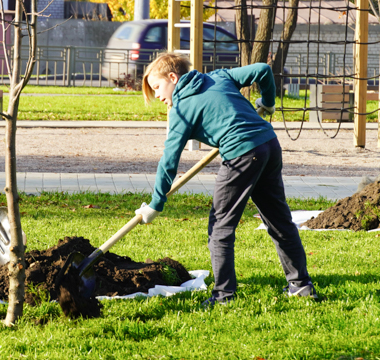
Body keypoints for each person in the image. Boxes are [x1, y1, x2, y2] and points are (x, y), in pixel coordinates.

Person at [135, 53, 317, 307]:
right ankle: (301, 287)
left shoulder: (181, 110)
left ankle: (223, 297)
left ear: (173, 78)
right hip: (268, 144)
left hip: (242, 155)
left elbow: (169, 160)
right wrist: (268, 102)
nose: (157, 95)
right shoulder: (218, 77)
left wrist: (156, 204)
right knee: (278, 220)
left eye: (157, 87)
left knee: (220, 228)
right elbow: (263, 70)